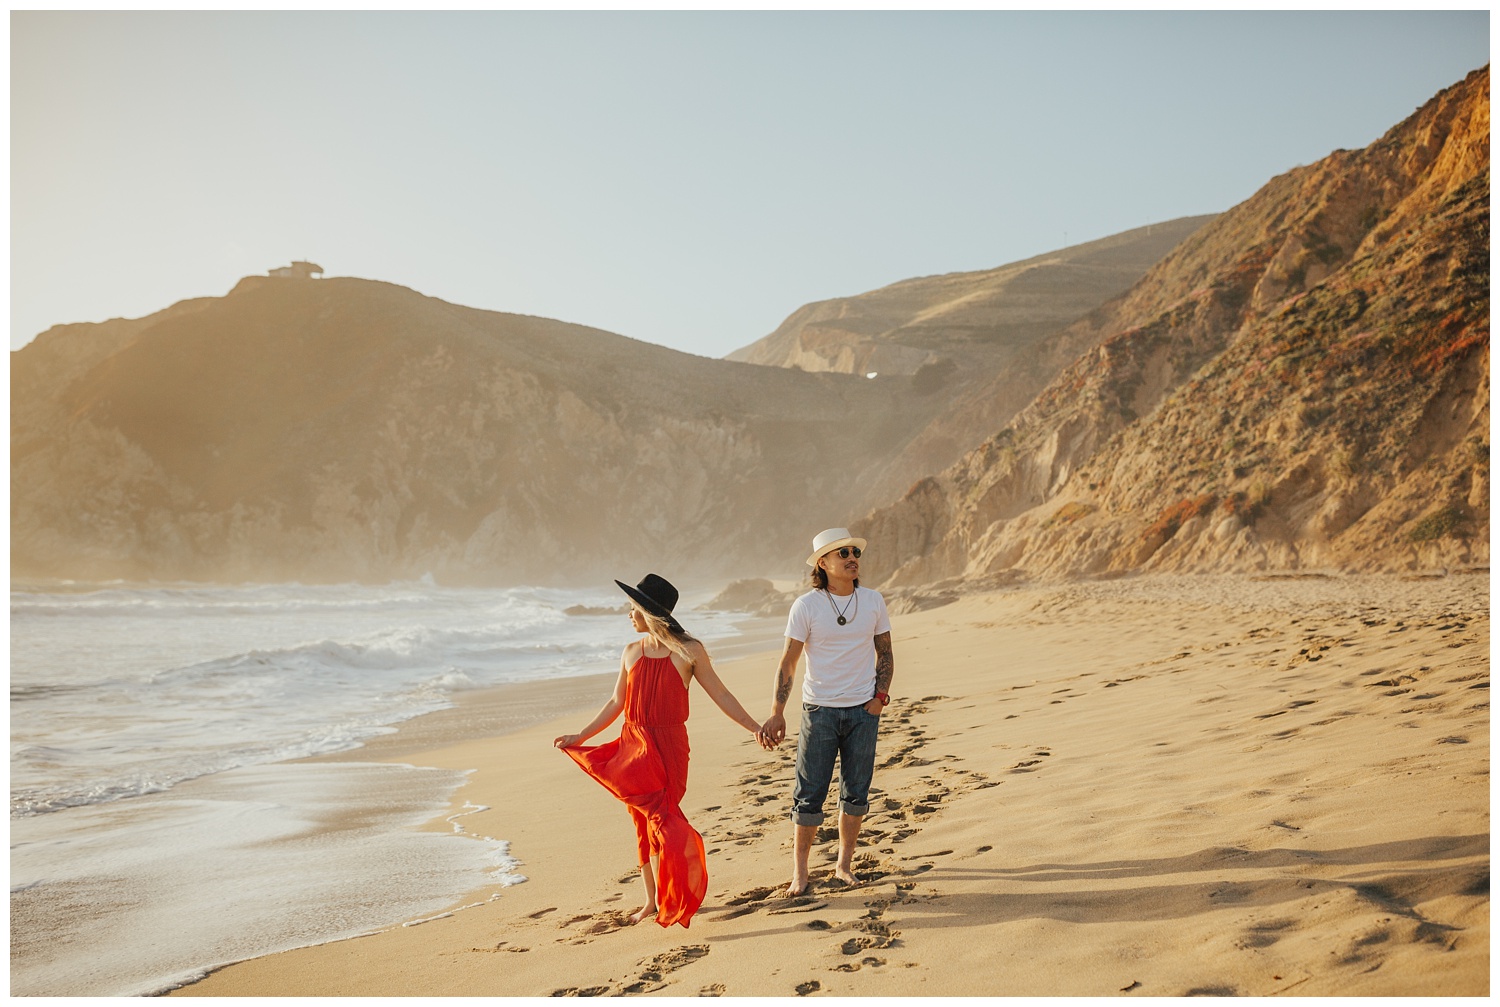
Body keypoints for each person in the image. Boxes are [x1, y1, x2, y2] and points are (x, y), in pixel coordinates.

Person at [554, 573, 766, 928]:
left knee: (664, 818)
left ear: (649, 611)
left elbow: (722, 695)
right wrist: (581, 734)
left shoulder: (689, 651)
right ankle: (652, 900)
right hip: (632, 745)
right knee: (641, 822)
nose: (628, 614)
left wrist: (755, 727)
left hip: (668, 747)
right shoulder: (630, 652)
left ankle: (683, 887)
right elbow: (615, 702)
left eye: (633, 607)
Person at [757, 528, 894, 896]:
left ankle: (843, 866)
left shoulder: (873, 601)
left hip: (864, 712)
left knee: (856, 793)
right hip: (819, 712)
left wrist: (880, 697)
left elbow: (886, 654)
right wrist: (777, 712)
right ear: (823, 563)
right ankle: (800, 873)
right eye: (842, 553)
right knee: (809, 793)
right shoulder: (807, 606)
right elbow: (788, 663)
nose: (852, 557)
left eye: (854, 552)